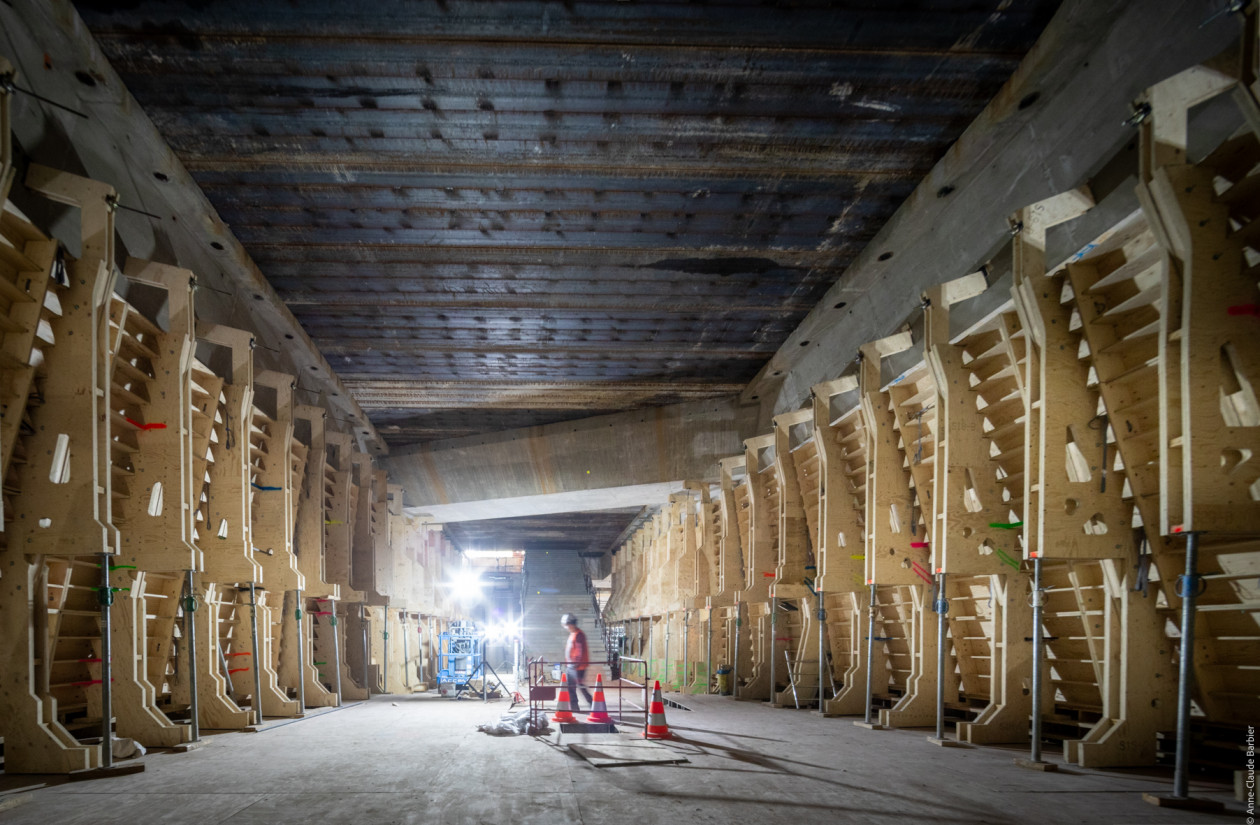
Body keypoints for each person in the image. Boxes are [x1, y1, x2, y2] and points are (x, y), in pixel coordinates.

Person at [561, 613, 592, 711]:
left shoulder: (579, 634)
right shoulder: (573, 634)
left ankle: (592, 703)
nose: (566, 627)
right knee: (571, 687)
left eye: (567, 625)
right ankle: (574, 707)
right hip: (572, 666)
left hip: (577, 667)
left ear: (571, 624)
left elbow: (579, 651)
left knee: (580, 686)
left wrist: (576, 663)